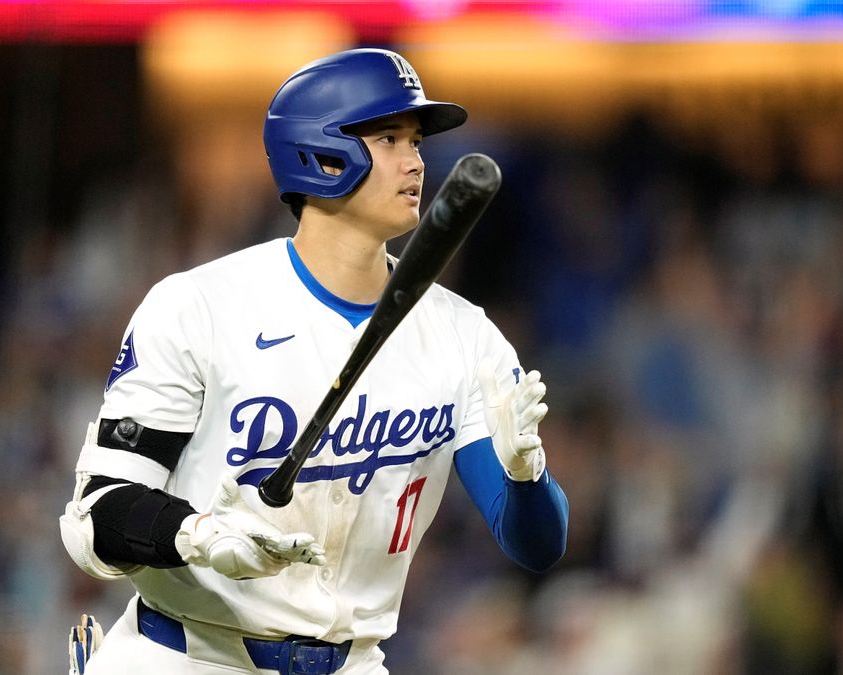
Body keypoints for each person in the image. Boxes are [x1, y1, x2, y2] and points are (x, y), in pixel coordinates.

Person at [57, 47, 569, 674]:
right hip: (187, 654)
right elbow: (97, 515)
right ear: (322, 155)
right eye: (390, 138)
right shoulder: (199, 307)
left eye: (415, 141)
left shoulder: (463, 335)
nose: (416, 162)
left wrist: (526, 477)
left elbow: (537, 546)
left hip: (352, 662)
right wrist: (196, 535)